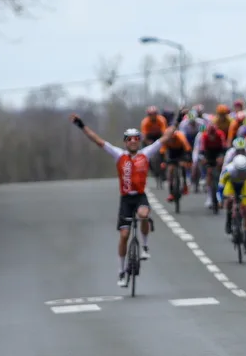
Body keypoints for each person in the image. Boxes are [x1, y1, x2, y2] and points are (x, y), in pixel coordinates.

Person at [71, 112, 180, 285]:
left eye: (136, 138)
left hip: (140, 197)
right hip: (125, 200)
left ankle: (144, 247)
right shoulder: (119, 155)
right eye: (129, 139)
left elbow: (166, 137)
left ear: (139, 140)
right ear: (125, 142)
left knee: (144, 214)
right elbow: (97, 141)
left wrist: (178, 120)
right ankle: (121, 271)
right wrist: (80, 125)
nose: (133, 141)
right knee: (124, 235)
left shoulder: (146, 153)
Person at [218, 155, 246, 254]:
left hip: (244, 186)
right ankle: (229, 219)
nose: (241, 173)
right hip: (231, 185)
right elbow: (220, 188)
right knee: (229, 200)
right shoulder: (228, 170)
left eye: (243, 171)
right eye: (239, 171)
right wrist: (221, 200)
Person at [160, 124, 192, 202]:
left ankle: (184, 185)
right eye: (169, 138)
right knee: (170, 170)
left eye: (172, 138)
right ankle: (171, 193)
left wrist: (188, 160)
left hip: (181, 151)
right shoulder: (166, 139)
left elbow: (187, 149)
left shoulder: (180, 136)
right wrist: (163, 162)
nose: (171, 139)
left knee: (182, 164)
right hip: (172, 152)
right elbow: (162, 151)